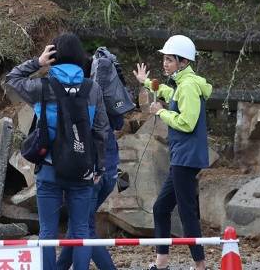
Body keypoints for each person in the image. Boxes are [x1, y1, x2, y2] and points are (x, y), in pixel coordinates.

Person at [6, 33, 109, 270]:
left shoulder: (41, 87)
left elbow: (12, 78)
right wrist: (99, 167)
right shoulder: (92, 88)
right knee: (81, 231)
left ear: (54, 56)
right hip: (83, 169)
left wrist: (37, 63)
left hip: (49, 170)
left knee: (48, 232)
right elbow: (101, 131)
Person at [134, 35, 212, 270]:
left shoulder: (188, 86)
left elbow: (187, 123)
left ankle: (199, 265)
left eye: (169, 59)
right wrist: (147, 82)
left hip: (186, 158)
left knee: (187, 212)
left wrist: (160, 112)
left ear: (183, 61)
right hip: (183, 157)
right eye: (165, 59)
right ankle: (162, 263)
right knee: (161, 208)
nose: (165, 63)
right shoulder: (184, 83)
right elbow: (169, 93)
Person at [57, 47, 134, 270]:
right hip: (109, 172)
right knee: (79, 226)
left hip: (93, 174)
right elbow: (118, 124)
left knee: (84, 229)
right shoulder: (104, 92)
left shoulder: (85, 97)